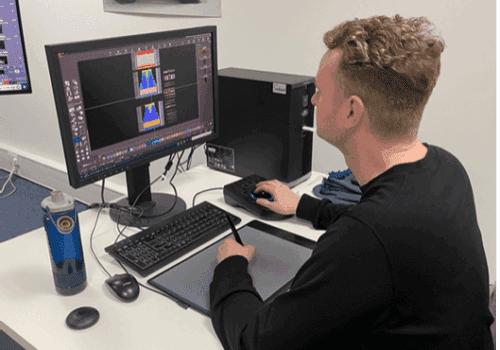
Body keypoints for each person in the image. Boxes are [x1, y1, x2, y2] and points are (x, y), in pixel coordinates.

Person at [209, 14, 494, 349]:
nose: (311, 101)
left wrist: (231, 267)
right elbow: (388, 229)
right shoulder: (446, 167)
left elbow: (256, 341)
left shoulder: (365, 240)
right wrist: (303, 206)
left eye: (319, 91)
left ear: (351, 111)